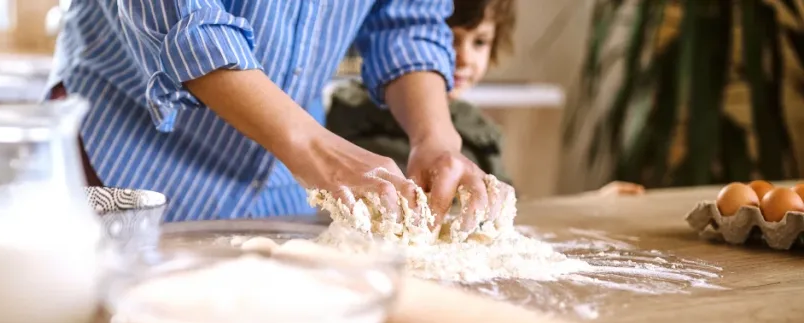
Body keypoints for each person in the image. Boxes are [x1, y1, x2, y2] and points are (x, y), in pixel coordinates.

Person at [48, 0, 512, 228]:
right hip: (123, 146)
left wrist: (434, 137)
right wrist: (318, 151)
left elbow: (407, 18)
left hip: (280, 181)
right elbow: (180, 17)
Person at [326, 0, 645, 198]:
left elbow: (509, 205)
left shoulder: (482, 131)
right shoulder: (354, 121)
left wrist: (584, 206)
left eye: (480, 43)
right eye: (450, 41)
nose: (463, 58)